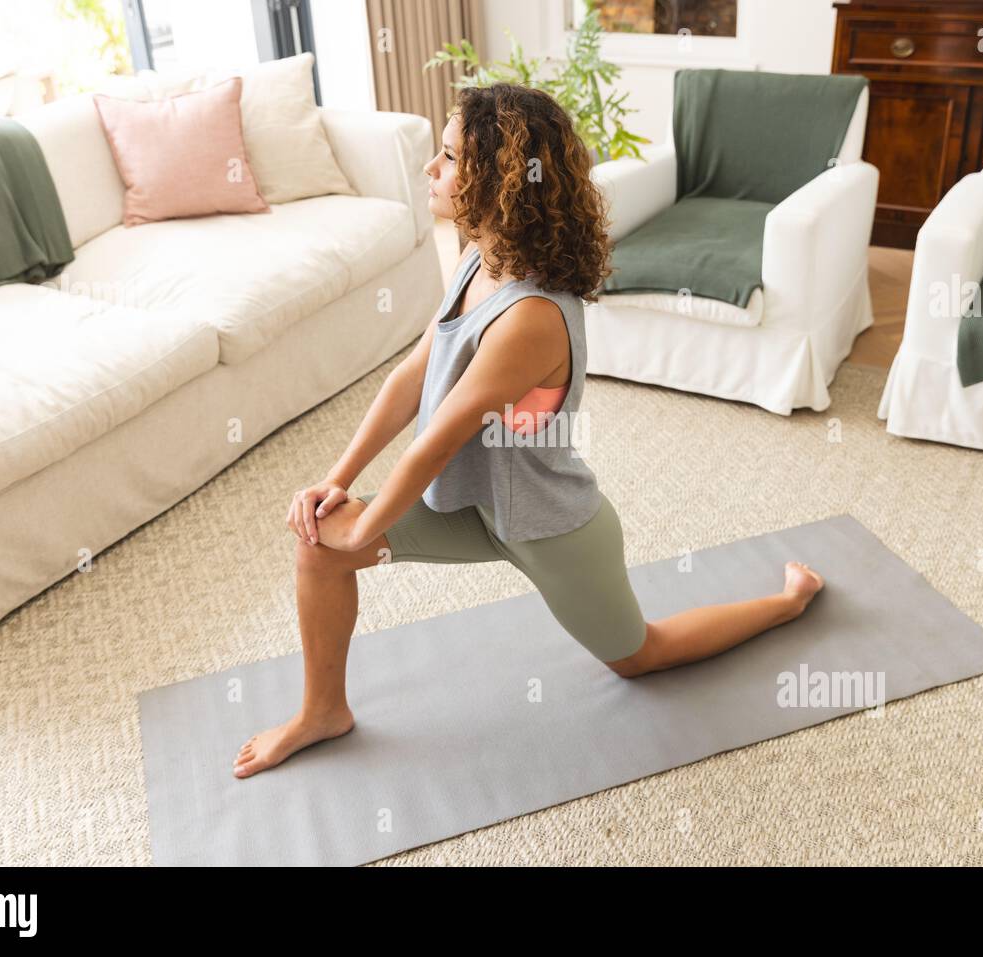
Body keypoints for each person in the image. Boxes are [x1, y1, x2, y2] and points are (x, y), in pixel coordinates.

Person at [233, 83, 823, 779]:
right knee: (317, 547)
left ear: (497, 180)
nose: (431, 169)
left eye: (448, 158)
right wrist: (335, 481)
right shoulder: (478, 259)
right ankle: (322, 710)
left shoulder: (530, 318)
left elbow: (439, 438)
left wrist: (366, 529)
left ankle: (788, 601)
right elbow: (412, 377)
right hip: (473, 509)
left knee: (640, 655)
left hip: (550, 528)